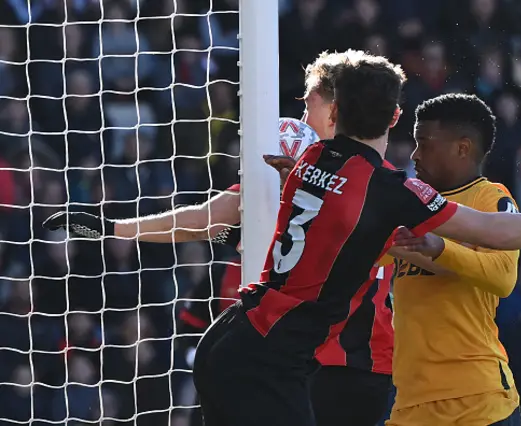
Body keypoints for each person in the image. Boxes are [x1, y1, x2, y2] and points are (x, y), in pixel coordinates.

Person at [47, 50, 521, 426]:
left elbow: (219, 213)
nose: (302, 106)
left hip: (301, 351)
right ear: (391, 116)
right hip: (307, 360)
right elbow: (222, 212)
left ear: (335, 110)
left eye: (313, 97)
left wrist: (114, 227)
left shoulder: (304, 158)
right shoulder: (382, 186)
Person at [44, 51, 396, 426]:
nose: (303, 118)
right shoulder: (292, 158)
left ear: (336, 111)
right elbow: (204, 220)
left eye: (309, 105)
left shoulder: (383, 185)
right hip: (293, 359)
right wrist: (113, 228)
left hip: (352, 366)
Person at [384, 93, 521, 426]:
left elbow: (503, 277)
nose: (415, 155)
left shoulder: (491, 198)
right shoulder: (409, 203)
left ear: (462, 149)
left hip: (478, 402)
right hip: (411, 404)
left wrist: (439, 248)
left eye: (425, 144)